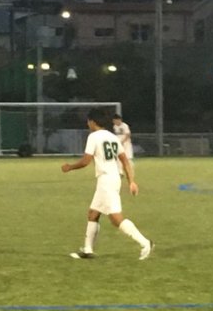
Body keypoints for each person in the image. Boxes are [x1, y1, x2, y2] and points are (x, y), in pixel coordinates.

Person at [61, 107, 152, 260]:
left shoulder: (94, 137)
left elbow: (85, 161)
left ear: (92, 121)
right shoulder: (112, 137)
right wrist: (131, 181)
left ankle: (145, 243)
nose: (88, 124)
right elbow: (125, 161)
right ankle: (88, 250)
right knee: (93, 213)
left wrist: (70, 167)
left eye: (88, 121)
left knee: (116, 218)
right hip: (113, 178)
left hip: (106, 181)